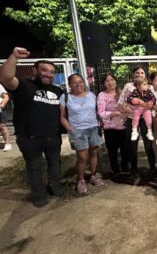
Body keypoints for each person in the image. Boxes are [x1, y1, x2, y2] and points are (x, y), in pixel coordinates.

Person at [0, 47, 63, 207]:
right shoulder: (24, 85)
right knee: (34, 167)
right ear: (35, 70)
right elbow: (6, 78)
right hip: (30, 138)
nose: (48, 74)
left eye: (51, 72)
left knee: (55, 163)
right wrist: (14, 56)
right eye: (44, 70)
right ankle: (39, 194)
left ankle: (55, 187)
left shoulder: (57, 91)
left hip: (53, 137)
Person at [60, 74, 104, 195]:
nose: (78, 84)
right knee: (82, 157)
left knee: (94, 153)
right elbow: (62, 117)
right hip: (78, 131)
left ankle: (93, 175)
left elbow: (97, 111)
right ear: (69, 85)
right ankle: (80, 180)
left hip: (93, 128)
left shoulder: (91, 95)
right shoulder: (65, 97)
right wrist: (70, 129)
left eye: (80, 82)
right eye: (74, 82)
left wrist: (100, 122)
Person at [118, 66, 156, 176]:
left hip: (145, 119)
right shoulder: (128, 86)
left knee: (148, 143)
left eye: (142, 73)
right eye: (137, 73)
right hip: (132, 118)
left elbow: (153, 102)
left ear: (145, 75)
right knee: (132, 145)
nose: (139, 75)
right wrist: (130, 110)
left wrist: (150, 105)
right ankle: (134, 169)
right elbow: (121, 102)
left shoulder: (149, 87)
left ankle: (152, 168)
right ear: (133, 75)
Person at [97, 73, 128, 176]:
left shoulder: (122, 93)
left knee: (125, 150)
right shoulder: (102, 95)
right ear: (104, 83)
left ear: (115, 81)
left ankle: (125, 169)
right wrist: (115, 113)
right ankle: (115, 171)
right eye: (107, 81)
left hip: (123, 127)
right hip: (110, 128)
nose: (110, 82)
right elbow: (101, 113)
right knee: (112, 151)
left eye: (112, 80)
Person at [0, 83, 12, 151]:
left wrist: (2, 105)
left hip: (0, 110)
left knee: (2, 126)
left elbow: (6, 97)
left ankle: (7, 144)